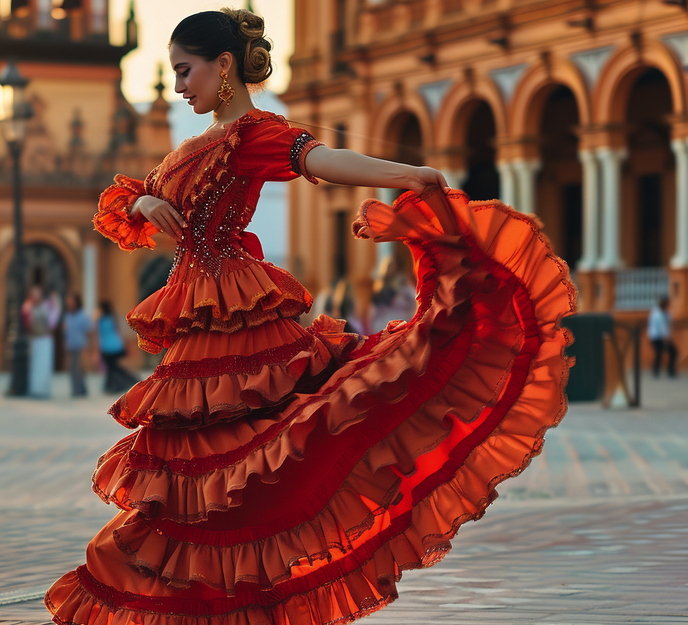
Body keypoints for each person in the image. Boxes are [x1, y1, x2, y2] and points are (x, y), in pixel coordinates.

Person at [44, 9, 576, 625]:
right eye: (173, 74)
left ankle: (227, 600)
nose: (178, 86)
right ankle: (207, 601)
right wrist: (142, 197)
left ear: (223, 66)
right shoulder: (192, 146)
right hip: (203, 321)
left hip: (236, 319)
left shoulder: (250, 136)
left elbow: (321, 159)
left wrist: (406, 174)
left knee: (262, 460)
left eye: (185, 71)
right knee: (197, 478)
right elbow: (119, 201)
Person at [22, 285, 61, 398]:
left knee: (43, 366)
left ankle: (43, 389)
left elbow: (52, 322)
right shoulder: (28, 307)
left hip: (44, 341)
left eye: (37, 295)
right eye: (33, 295)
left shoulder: (46, 307)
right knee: (34, 367)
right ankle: (34, 389)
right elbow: (26, 323)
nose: (35, 297)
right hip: (34, 339)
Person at [96, 301, 138, 393]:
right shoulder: (112, 318)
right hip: (116, 345)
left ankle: (122, 383)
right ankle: (113, 385)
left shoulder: (101, 320)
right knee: (112, 367)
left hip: (107, 347)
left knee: (112, 367)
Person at [62, 293, 93, 397]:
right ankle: (75, 389)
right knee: (72, 369)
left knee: (80, 369)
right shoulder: (68, 316)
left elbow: (89, 332)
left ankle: (81, 389)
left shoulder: (83, 316)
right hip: (71, 346)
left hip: (80, 346)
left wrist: (89, 348)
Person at [648, 296, 678, 378]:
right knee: (663, 353)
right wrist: (667, 340)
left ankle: (665, 371)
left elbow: (668, 325)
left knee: (664, 353)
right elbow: (662, 328)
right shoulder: (657, 314)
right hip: (658, 337)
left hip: (660, 337)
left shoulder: (665, 312)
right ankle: (663, 371)